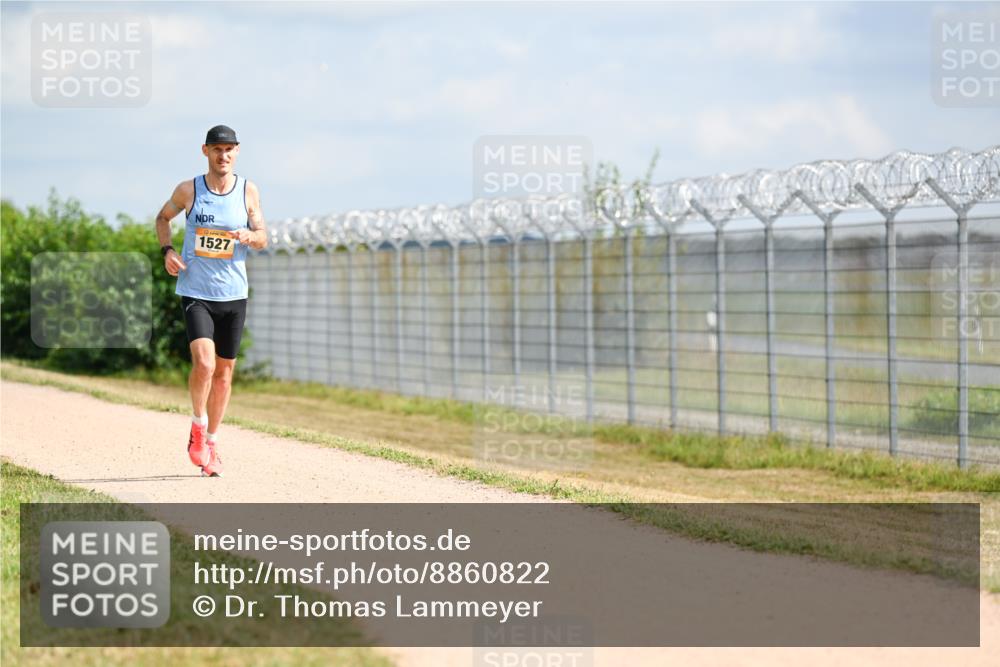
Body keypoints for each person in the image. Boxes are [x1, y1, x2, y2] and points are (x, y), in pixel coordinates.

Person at [154, 125, 267, 477]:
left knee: (224, 375)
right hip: (196, 292)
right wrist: (167, 250)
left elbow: (263, 236)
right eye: (217, 149)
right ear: (205, 151)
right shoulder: (189, 190)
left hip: (234, 295)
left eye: (230, 150)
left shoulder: (248, 190)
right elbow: (162, 219)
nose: (224, 156)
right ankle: (197, 428)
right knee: (204, 364)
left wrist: (251, 235)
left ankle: (213, 442)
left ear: (237, 152)